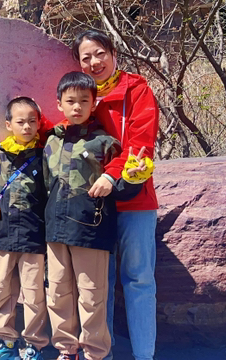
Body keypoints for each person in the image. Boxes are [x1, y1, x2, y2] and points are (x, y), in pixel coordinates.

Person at [42, 72, 149, 360]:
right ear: (59, 104)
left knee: (92, 296)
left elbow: (120, 187)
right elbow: (45, 186)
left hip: (91, 229)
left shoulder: (105, 142)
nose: (77, 107)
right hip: (55, 231)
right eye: (70, 101)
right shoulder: (51, 141)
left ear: (94, 104)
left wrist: (134, 176)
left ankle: (95, 353)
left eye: (84, 101)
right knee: (57, 294)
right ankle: (66, 351)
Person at [70, 30, 160, 360]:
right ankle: (100, 355)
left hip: (135, 199)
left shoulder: (136, 89)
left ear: (113, 54)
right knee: (98, 284)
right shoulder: (82, 96)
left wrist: (111, 174)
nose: (94, 62)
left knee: (139, 279)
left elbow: (140, 143)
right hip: (94, 203)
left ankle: (144, 356)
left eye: (100, 53)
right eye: (86, 58)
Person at [0, 97, 50, 360]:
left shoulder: (43, 156)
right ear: (9, 124)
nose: (27, 126)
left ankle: (34, 346)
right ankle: (6, 344)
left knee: (34, 294)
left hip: (33, 236)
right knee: (0, 290)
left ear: (39, 124)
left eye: (32, 121)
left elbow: (50, 196)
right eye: (20, 122)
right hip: (3, 234)